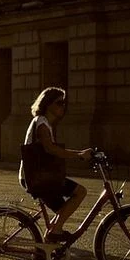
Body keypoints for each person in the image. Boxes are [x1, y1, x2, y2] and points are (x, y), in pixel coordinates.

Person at [18, 87, 93, 242]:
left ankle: (49, 242)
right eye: (59, 103)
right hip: (37, 177)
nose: (63, 106)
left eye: (64, 103)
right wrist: (79, 154)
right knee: (80, 192)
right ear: (47, 104)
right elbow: (50, 148)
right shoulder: (42, 123)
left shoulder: (43, 123)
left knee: (62, 210)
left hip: (38, 176)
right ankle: (55, 231)